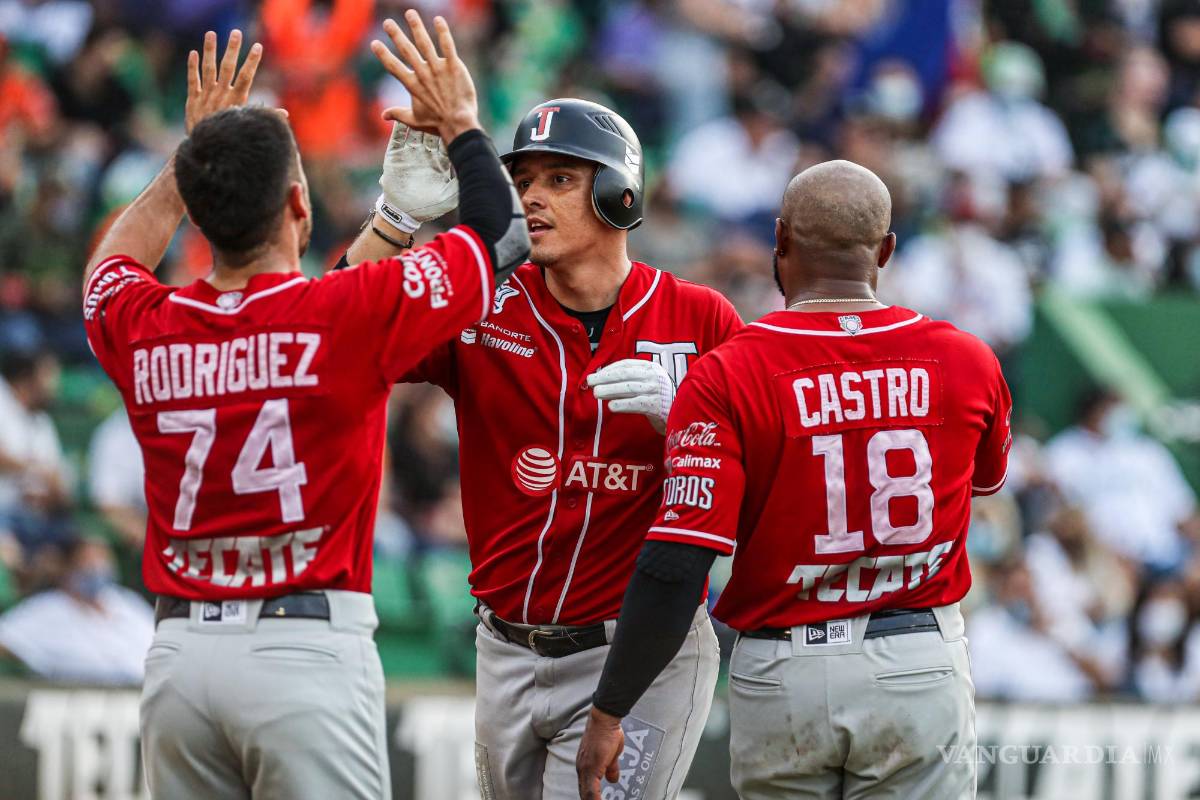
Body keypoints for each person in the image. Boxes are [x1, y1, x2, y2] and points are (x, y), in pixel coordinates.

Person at [81, 14, 527, 799]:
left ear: (197, 199)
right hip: (303, 650)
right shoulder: (344, 316)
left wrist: (189, 162)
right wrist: (461, 122)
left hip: (179, 656)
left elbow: (110, 266)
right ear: (299, 204)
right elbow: (496, 233)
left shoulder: (145, 323)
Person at [577, 160, 1013, 799]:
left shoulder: (729, 370)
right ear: (885, 250)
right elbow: (984, 481)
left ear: (780, 240)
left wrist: (610, 707)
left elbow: (678, 559)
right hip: (917, 654)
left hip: (784, 665)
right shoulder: (967, 358)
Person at [352, 97, 742, 798]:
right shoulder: (481, 301)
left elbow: (763, 484)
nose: (531, 196)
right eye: (523, 180)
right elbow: (346, 332)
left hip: (638, 654)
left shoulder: (701, 317)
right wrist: (396, 220)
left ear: (618, 192)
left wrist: (689, 420)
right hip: (503, 649)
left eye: (560, 179)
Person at [0, 536, 153, 685]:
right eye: (89, 561)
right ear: (68, 567)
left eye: (103, 560)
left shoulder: (127, 601)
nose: (98, 568)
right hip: (81, 698)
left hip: (150, 693)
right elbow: (6, 639)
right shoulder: (45, 609)